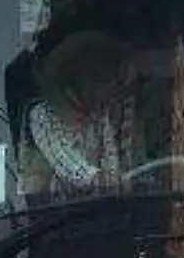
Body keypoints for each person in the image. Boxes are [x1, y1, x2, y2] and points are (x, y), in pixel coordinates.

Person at [20, 29, 145, 196]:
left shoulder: (99, 117)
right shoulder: (42, 115)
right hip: (59, 209)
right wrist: (96, 178)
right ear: (82, 81)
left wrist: (115, 180)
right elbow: (63, 158)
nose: (111, 92)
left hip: (97, 205)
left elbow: (110, 155)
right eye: (106, 82)